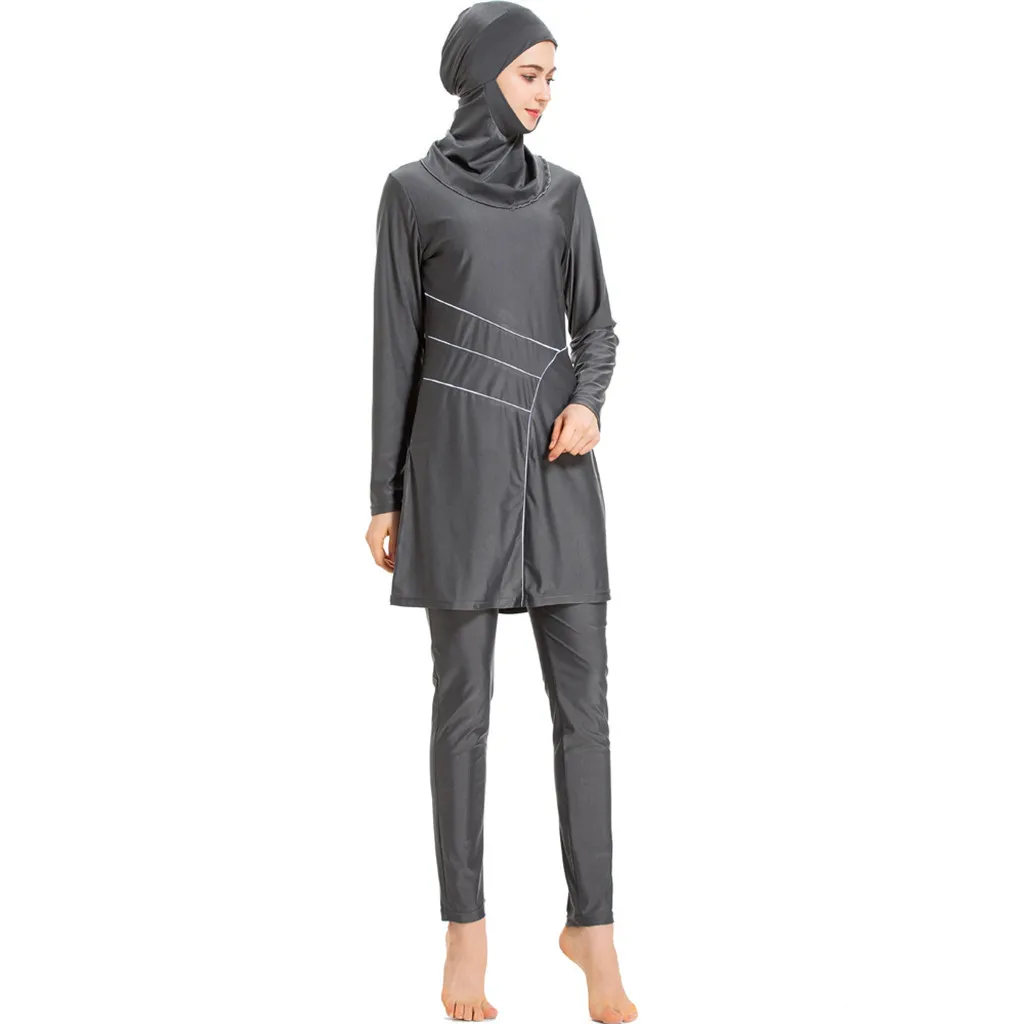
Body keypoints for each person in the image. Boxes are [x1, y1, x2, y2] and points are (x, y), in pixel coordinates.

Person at [365, 3, 637, 1021]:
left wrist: (587, 402)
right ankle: (465, 936)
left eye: (553, 75)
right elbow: (394, 346)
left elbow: (597, 325)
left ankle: (593, 932)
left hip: (559, 475)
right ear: (481, 73)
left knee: (585, 713)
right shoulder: (411, 194)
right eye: (530, 72)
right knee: (464, 709)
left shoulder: (565, 195)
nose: (544, 91)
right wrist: (384, 493)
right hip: (456, 478)